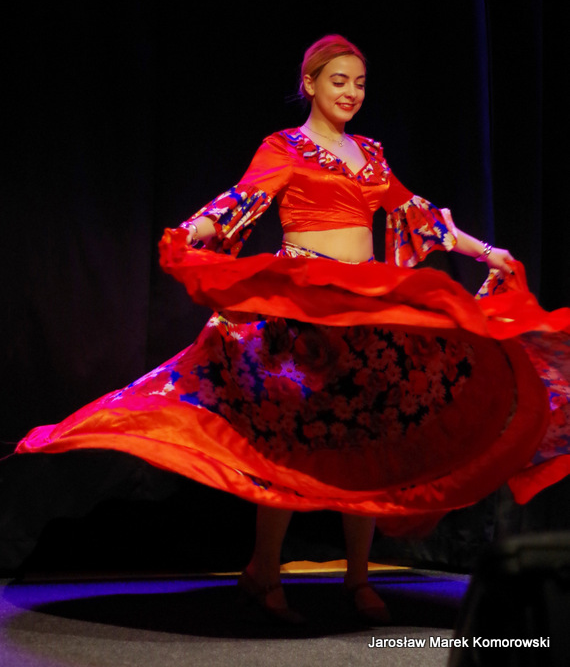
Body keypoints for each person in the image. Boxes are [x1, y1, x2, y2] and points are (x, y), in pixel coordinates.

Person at [17, 35, 570, 626]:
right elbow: (239, 202)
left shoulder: (370, 153)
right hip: (303, 304)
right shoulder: (285, 147)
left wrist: (487, 251)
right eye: (339, 81)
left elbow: (418, 214)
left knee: (369, 437)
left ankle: (358, 578)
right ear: (310, 84)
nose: (351, 93)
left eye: (360, 83)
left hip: (364, 306)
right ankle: (264, 573)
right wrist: (192, 230)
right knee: (289, 440)